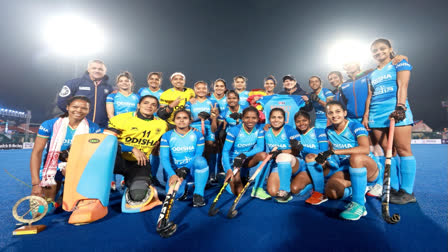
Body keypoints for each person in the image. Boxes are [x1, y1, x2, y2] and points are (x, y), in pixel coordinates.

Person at [363, 38, 416, 204]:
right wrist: (366, 115)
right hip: (376, 114)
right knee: (387, 151)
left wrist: (400, 106)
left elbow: (403, 85)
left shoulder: (399, 63)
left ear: (390, 49)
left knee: (403, 149)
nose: (379, 52)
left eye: (382, 49)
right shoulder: (372, 73)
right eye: (375, 51)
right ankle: (391, 188)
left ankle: (407, 192)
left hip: (396, 111)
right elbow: (370, 95)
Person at [314, 101, 380, 220]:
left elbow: (364, 149)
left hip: (367, 166)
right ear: (327, 116)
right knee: (332, 192)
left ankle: (359, 205)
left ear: (344, 113)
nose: (334, 115)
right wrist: (323, 158)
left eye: (338, 111)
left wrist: (335, 152)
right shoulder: (327, 130)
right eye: (330, 113)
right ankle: (360, 188)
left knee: (356, 157)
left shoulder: (355, 126)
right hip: (346, 168)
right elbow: (325, 151)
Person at [31, 96, 101, 206]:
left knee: (71, 205)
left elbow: (93, 155)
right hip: (52, 168)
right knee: (40, 210)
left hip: (77, 168)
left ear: (89, 110)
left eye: (84, 108)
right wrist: (35, 183)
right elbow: (37, 153)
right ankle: (58, 195)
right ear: (67, 107)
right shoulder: (49, 125)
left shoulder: (93, 128)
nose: (79, 110)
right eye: (75, 107)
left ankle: (68, 192)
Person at [105, 95, 168, 206]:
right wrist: (131, 148)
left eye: (153, 104)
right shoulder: (120, 119)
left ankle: (130, 182)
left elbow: (175, 132)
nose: (149, 106)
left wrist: (191, 128)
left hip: (140, 162)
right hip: (116, 159)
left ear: (157, 109)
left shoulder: (162, 125)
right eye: (146, 103)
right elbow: (106, 142)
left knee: (138, 196)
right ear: (138, 105)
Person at [160, 109, 209, 207]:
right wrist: (172, 174)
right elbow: (164, 158)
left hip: (191, 168)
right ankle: (186, 185)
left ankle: (198, 194)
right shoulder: (167, 135)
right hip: (176, 171)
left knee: (201, 161)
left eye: (185, 118)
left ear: (190, 120)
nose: (181, 120)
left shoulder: (197, 134)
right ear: (174, 121)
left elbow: (198, 155)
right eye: (178, 118)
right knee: (176, 195)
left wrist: (186, 169)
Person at [222, 106, 270, 199]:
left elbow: (260, 147)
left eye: (254, 118)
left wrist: (244, 155)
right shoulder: (234, 130)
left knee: (264, 155)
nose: (250, 120)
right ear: (242, 118)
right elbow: (225, 151)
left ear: (257, 119)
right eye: (247, 117)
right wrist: (228, 169)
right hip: (233, 161)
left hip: (245, 158)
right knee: (237, 192)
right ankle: (224, 178)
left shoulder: (259, 130)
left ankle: (257, 188)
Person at [265, 108, 307, 203]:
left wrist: (280, 151)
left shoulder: (290, 131)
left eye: (279, 117)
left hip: (295, 163)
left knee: (282, 156)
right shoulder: (266, 131)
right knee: (273, 192)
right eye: (273, 117)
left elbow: (296, 152)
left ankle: (286, 191)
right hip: (279, 164)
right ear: (269, 119)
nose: (276, 120)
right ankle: (287, 179)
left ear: (284, 119)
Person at [57, 59, 112, 128]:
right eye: (94, 68)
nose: (97, 71)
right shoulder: (74, 83)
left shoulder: (109, 88)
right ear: (88, 69)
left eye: (100, 69)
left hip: (100, 127)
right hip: (78, 125)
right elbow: (61, 102)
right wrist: (75, 115)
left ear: (105, 72)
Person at [292, 111, 331, 205]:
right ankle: (316, 183)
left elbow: (324, 152)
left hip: (323, 164)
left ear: (309, 120)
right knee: (295, 190)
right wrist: (268, 126)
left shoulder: (318, 131)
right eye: (298, 121)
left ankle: (320, 193)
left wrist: (302, 147)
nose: (301, 123)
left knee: (310, 156)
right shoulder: (296, 135)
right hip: (307, 167)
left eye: (304, 120)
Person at [185, 81, 220, 182]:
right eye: (198, 88)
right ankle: (193, 175)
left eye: (204, 88)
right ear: (195, 90)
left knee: (211, 148)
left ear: (207, 90)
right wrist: (198, 117)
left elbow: (215, 119)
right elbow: (188, 119)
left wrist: (212, 116)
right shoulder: (190, 102)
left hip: (208, 127)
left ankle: (211, 174)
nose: (201, 90)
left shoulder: (212, 102)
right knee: (195, 152)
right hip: (194, 128)